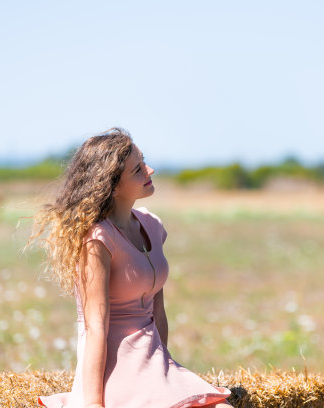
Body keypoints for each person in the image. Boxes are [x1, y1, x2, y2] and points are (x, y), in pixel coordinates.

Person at [28, 128, 232, 408]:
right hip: (117, 363)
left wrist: (166, 368)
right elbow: (95, 326)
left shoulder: (152, 225)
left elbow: (157, 309)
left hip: (153, 358)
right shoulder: (97, 239)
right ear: (111, 186)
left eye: (144, 161)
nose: (151, 170)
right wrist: (93, 404)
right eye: (138, 169)